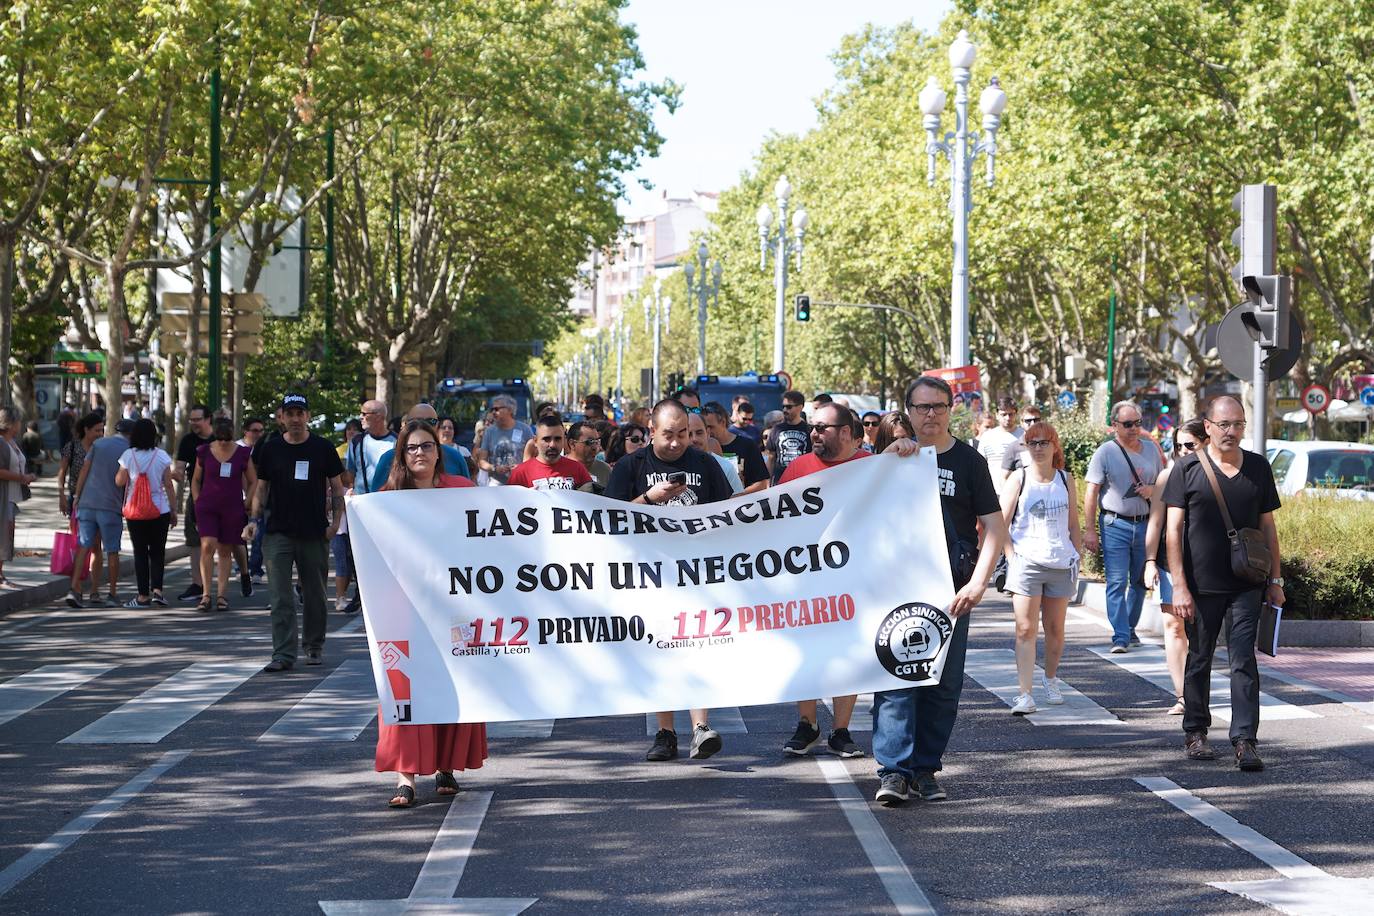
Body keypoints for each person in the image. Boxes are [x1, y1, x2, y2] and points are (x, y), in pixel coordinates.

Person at [873, 377, 1006, 806]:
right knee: (897, 677)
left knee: (943, 684)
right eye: (922, 407)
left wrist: (979, 582)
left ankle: (925, 770)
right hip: (900, 588)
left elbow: (995, 526)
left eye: (939, 406)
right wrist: (887, 457)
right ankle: (893, 771)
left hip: (952, 591)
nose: (931, 414)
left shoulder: (969, 461)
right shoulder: (895, 459)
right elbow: (864, 512)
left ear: (951, 410)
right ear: (908, 411)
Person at [605, 399, 733, 761]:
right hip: (649, 575)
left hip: (698, 575)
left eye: (682, 434)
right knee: (660, 650)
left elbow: (728, 513)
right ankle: (665, 732)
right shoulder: (633, 465)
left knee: (700, 646)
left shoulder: (705, 463)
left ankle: (700, 727)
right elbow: (608, 519)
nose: (677, 443)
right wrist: (648, 497)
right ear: (651, 432)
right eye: (668, 435)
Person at [1165, 396, 1283, 772]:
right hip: (1200, 586)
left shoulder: (1259, 469)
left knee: (1243, 661)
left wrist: (1276, 579)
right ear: (1208, 426)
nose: (1231, 432)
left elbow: (1268, 528)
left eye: (1238, 424)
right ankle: (1196, 732)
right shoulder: (1186, 469)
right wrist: (1179, 586)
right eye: (1224, 425)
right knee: (1199, 658)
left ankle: (1245, 741)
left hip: (1247, 582)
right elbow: (1172, 531)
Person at [376, 418, 488, 807]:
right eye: (412, 448)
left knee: (452, 682)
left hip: (454, 607)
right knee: (403, 686)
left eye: (426, 446)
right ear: (401, 456)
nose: (420, 453)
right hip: (402, 607)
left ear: (438, 452)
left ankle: (447, 766)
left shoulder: (462, 490)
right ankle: (405, 777)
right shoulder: (386, 499)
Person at [777, 403, 876, 758]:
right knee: (808, 651)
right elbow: (774, 519)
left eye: (822, 428)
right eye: (813, 427)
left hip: (853, 577)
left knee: (847, 651)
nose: (814, 433)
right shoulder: (798, 467)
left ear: (846, 433)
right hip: (805, 576)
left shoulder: (870, 466)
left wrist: (903, 449)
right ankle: (808, 724)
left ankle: (841, 730)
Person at [245, 394, 346, 672]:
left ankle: (314, 646)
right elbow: (261, 488)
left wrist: (335, 524)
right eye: (290, 413)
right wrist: (253, 519)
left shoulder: (323, 448)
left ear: (308, 416)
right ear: (282, 418)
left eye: (300, 413)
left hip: (314, 532)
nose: (295, 418)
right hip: (278, 532)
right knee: (280, 596)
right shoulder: (271, 449)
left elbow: (337, 488)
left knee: (314, 594)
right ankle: (283, 654)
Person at [999, 420, 1082, 716]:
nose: (1037, 448)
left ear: (1054, 445)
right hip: (1027, 563)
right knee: (1025, 628)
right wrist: (1011, 557)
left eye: (1043, 442)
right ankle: (1025, 694)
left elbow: (1073, 523)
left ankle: (1050, 678)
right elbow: (1001, 522)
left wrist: (1077, 553)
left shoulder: (1065, 479)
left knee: (1055, 629)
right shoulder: (1019, 479)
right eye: (1032, 443)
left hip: (1061, 562)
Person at [1083, 401, 1166, 653]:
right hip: (1114, 524)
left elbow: (1163, 485)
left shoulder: (1151, 450)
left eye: (1138, 423)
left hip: (1145, 525)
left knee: (1141, 582)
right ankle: (1120, 635)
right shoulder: (1105, 452)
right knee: (1117, 582)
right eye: (1128, 424)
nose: (1134, 429)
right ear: (1115, 425)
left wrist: (1153, 490)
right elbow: (1091, 491)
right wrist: (1089, 530)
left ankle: (1129, 628)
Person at [1144, 418, 1208, 716]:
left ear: (1206, 442)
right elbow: (1155, 522)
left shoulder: (1216, 475)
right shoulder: (1167, 477)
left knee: (1201, 630)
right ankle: (1183, 695)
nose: (1183, 450)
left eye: (1190, 445)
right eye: (1178, 445)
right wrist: (1149, 561)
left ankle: (1199, 690)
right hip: (1171, 563)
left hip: (1208, 565)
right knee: (1174, 626)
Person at [190, 418, 257, 612]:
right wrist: (197, 501)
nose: (223, 444)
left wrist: (248, 501)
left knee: (225, 550)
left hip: (232, 507)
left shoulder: (243, 453)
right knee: (207, 546)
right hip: (207, 507)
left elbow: (253, 481)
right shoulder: (203, 451)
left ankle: (221, 595)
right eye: (220, 440)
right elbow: (195, 480)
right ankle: (205, 595)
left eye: (227, 440)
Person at [68, 419, 133, 607]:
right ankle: (112, 594)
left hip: (88, 502)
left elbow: (84, 471)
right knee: (112, 550)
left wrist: (77, 497)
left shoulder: (98, 443)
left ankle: (74, 589)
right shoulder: (129, 451)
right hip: (110, 506)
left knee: (84, 546)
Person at [114, 419, 176, 608]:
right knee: (158, 552)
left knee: (140, 553)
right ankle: (157, 591)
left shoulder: (127, 455)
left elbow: (120, 481)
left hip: (136, 512)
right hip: (160, 510)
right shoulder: (162, 456)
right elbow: (168, 485)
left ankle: (142, 596)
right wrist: (173, 510)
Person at [58, 413, 107, 601]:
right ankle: (76, 588)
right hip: (76, 500)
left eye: (102, 430)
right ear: (86, 430)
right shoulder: (72, 447)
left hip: (97, 500)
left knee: (96, 545)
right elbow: (62, 472)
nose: (100, 433)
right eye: (96, 430)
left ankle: (95, 590)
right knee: (79, 543)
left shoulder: (102, 448)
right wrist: (61, 495)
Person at [172, 404, 213, 603]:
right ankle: (198, 584)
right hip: (197, 497)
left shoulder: (218, 439)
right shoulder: (188, 441)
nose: (194, 423)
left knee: (223, 543)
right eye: (192, 420)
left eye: (197, 419)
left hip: (222, 497)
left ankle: (222, 586)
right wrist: (174, 473)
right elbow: (179, 469)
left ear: (208, 419)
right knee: (194, 541)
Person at [0, 407, 37, 587]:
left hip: (12, 496)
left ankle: (0, 574)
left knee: (6, 535)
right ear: (11, 423)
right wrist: (23, 478)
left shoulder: (13, 442)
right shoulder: (1, 443)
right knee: (2, 535)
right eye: (18, 421)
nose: (20, 424)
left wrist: (26, 477)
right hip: (3, 495)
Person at [507, 416, 594, 491]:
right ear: (535, 441)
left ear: (564, 440)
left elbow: (591, 502)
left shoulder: (578, 469)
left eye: (557, 439)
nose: (552, 445)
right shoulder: (520, 473)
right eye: (546, 439)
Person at [701, 401, 768, 494]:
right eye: (703, 429)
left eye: (710, 427)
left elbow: (762, 484)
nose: (707, 432)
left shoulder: (747, 446)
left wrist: (736, 496)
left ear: (723, 422)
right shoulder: (699, 449)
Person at [474, 394, 532, 485]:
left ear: (510, 410)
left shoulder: (525, 430)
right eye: (492, 409)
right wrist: (494, 468)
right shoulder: (489, 432)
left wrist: (521, 468)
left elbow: (535, 457)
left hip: (521, 483)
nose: (493, 412)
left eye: (497, 409)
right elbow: (481, 461)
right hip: (496, 485)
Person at [687, 412, 742, 494]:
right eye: (689, 434)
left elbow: (739, 502)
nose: (695, 439)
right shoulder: (673, 467)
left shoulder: (726, 468)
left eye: (699, 433)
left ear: (708, 433)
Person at [975, 396, 1023, 487]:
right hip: (992, 490)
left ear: (1016, 414)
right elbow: (979, 466)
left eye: (1011, 414)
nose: (1008, 418)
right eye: (1004, 414)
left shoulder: (1024, 436)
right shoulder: (987, 437)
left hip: (1019, 490)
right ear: (997, 415)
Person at [765, 390, 812, 484]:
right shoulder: (776, 429)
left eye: (789, 407)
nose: (785, 410)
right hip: (780, 482)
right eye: (783, 407)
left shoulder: (809, 430)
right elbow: (771, 458)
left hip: (803, 482)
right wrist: (767, 482)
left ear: (800, 407)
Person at [565, 420, 611, 493]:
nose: (595, 447)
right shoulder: (559, 469)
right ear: (572, 444)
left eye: (597, 442)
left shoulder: (605, 470)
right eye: (589, 442)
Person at [999, 405, 1043, 479]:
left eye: (1036, 420)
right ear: (1022, 423)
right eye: (1028, 421)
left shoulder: (1049, 444)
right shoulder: (1013, 447)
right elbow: (1004, 478)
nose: (1032, 423)